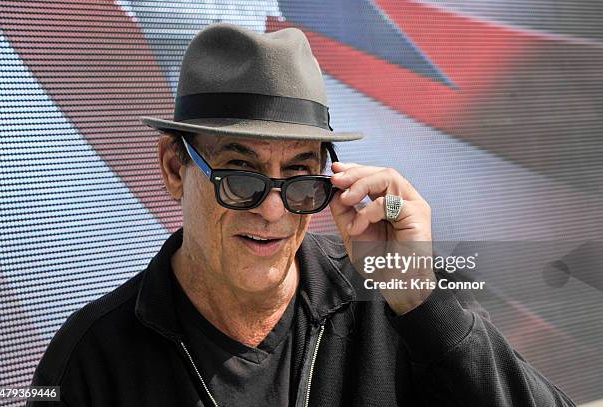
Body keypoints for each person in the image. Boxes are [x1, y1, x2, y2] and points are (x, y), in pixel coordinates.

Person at [29, 23, 575, 406]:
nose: (272, 209)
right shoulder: (89, 359)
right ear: (175, 168)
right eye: (240, 176)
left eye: (300, 179)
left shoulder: (390, 306)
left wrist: (420, 296)